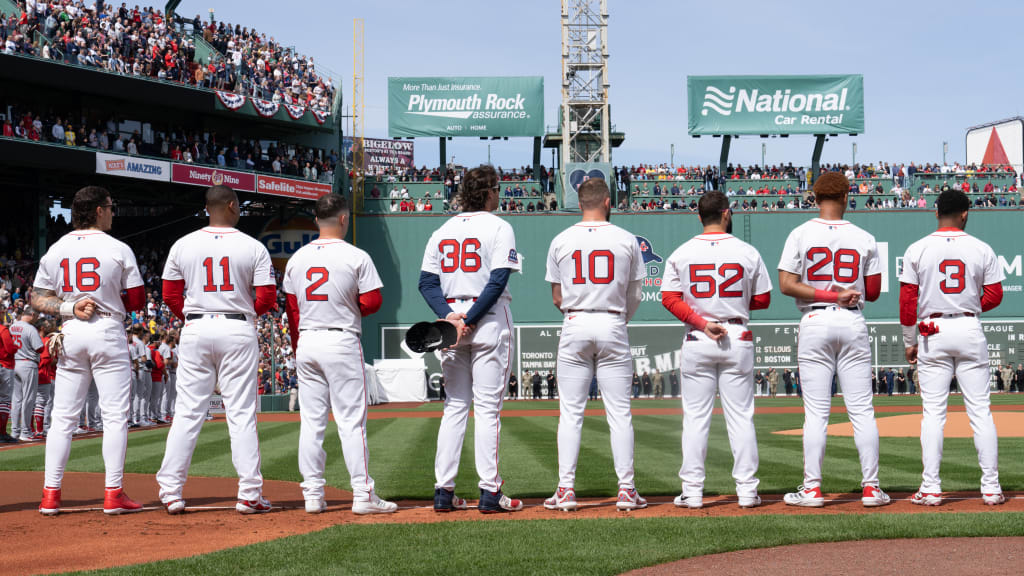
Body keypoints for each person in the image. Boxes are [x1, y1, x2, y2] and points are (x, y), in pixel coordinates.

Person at [157, 185, 277, 515]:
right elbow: (267, 298)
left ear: (207, 208)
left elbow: (169, 295)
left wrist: (195, 318)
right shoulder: (252, 246)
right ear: (232, 206)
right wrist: (241, 314)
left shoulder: (183, 244)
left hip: (196, 326)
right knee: (241, 414)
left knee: (187, 412)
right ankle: (249, 493)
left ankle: (170, 492)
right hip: (237, 326)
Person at [777, 171, 890, 508]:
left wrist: (827, 292)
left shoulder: (800, 233)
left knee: (816, 413)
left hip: (815, 318)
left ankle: (812, 489)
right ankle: (871, 488)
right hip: (852, 321)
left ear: (814, 197)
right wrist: (842, 293)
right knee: (862, 411)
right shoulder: (864, 237)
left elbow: (786, 283)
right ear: (846, 197)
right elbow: (872, 291)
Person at [31, 185, 146, 514]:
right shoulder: (118, 247)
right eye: (110, 206)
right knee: (114, 417)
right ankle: (113, 493)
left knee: (63, 418)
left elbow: (37, 298)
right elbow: (136, 300)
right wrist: (109, 300)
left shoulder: (56, 248)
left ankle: (50, 494)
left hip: (72, 330)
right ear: (98, 210)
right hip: (107, 328)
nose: (112, 212)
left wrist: (69, 308)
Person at [417, 165, 523, 514]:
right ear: (490, 191)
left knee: (455, 407)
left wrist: (450, 318)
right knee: (488, 409)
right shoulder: (499, 226)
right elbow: (497, 281)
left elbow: (427, 283)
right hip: (487, 319)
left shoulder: (442, 229)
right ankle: (490, 492)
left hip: (451, 323)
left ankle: (443, 492)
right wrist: (470, 319)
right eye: (497, 189)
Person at [283, 193, 397, 515]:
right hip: (341, 339)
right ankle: (362, 495)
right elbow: (373, 302)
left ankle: (313, 496)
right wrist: (348, 305)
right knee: (351, 423)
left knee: (311, 423)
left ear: (316, 220)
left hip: (307, 341)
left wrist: (298, 347)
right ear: (344, 219)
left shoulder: (296, 259)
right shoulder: (356, 256)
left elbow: (292, 311)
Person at [541, 176, 647, 512]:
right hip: (613, 320)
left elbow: (557, 296)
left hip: (575, 321)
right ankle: (627, 490)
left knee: (570, 413)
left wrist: (577, 311)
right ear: (607, 203)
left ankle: (566, 490)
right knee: (619, 413)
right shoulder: (626, 238)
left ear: (579, 202)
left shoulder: (561, 239)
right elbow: (635, 295)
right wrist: (617, 319)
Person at [661, 190, 771, 509]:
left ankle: (693, 492)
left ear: (699, 217)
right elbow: (763, 300)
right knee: (741, 417)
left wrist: (701, 320)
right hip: (737, 332)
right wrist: (733, 304)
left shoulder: (682, 253)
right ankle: (748, 491)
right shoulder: (746, 251)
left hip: (699, 335)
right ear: (726, 214)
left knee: (695, 418)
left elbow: (669, 298)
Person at [900, 189, 1005, 506]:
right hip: (968, 326)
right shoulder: (981, 248)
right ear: (965, 213)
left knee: (933, 414)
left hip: (933, 330)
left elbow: (907, 302)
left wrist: (909, 341)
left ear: (935, 213)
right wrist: (969, 306)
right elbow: (996, 295)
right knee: (981, 413)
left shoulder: (917, 248)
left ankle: (930, 488)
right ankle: (991, 488)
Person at [10, 309, 43, 442]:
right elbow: (39, 348)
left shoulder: (12, 326)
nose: (36, 319)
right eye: (36, 317)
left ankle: (14, 431)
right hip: (27, 364)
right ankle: (25, 431)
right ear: (32, 315)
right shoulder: (30, 329)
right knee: (28, 399)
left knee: (16, 399)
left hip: (14, 363)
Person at [0, 318, 17, 442]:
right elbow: (10, 348)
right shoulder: (3, 329)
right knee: (5, 400)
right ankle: (1, 433)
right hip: (4, 365)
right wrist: (16, 347)